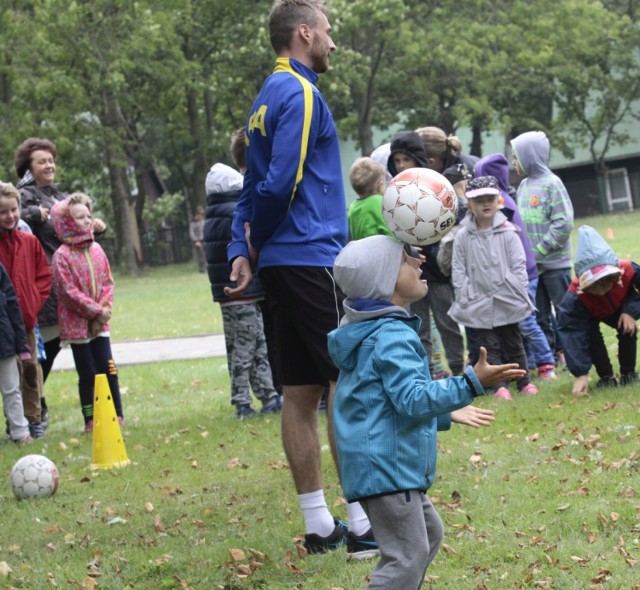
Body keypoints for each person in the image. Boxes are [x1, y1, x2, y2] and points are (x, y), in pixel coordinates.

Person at [226, 0, 374, 556]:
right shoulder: (302, 92)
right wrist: (256, 238)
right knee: (347, 384)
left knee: (298, 390)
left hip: (283, 265)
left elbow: (252, 180)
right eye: (329, 33)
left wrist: (244, 246)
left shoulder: (266, 95)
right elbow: (280, 183)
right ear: (305, 33)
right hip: (310, 258)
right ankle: (363, 526)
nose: (333, 43)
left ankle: (319, 527)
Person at [328, 234, 524, 589]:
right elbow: (412, 399)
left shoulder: (370, 329)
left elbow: (382, 402)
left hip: (383, 462)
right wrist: (468, 383)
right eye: (406, 259)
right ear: (383, 280)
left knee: (428, 536)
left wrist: (445, 414)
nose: (419, 262)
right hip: (388, 467)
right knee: (407, 555)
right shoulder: (390, 334)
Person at [15, 137, 106, 428]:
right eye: (41, 161)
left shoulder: (59, 196)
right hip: (41, 285)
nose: (49, 164)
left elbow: (75, 225)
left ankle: (34, 401)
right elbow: (13, 215)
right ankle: (31, 404)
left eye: (51, 159)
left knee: (51, 346)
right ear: (28, 167)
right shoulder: (24, 196)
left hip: (65, 283)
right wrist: (34, 213)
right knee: (43, 348)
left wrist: (93, 226)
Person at [203, 128, 281, 419]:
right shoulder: (234, 210)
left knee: (255, 344)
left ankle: (268, 396)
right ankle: (242, 401)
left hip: (233, 295)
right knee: (246, 348)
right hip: (242, 292)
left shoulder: (214, 213)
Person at [448, 176, 538, 399]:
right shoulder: (462, 236)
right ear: (469, 205)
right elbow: (458, 268)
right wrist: (463, 292)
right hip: (477, 298)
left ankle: (523, 381)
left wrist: (518, 287)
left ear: (498, 201)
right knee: (489, 346)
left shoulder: (509, 231)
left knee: (514, 342)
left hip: (507, 296)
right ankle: (500, 386)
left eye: (490, 199)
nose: (485, 204)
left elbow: (519, 263)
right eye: (479, 201)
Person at [386, 131, 466, 378]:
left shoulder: (435, 185)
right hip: (412, 272)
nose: (401, 165)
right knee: (418, 326)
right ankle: (427, 371)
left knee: (448, 323)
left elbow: (456, 213)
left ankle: (458, 369)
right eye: (397, 161)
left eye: (406, 160)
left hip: (438, 272)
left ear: (418, 160)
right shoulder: (393, 193)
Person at [474, 153, 556, 379]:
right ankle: (528, 364)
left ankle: (547, 363)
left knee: (526, 322)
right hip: (510, 275)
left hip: (523, 274)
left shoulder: (500, 204)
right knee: (519, 323)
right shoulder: (497, 201)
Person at [50, 193, 123, 433]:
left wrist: (104, 310)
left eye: (89, 216)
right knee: (88, 373)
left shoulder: (97, 249)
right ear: (67, 223)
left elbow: (107, 282)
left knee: (108, 367)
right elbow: (68, 292)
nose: (87, 220)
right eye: (80, 217)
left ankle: (117, 414)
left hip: (100, 322)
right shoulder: (61, 256)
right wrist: (95, 312)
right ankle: (90, 420)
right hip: (77, 325)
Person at [511, 131, 574, 367]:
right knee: (540, 315)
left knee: (565, 311)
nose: (513, 164)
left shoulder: (552, 184)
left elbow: (564, 223)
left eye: (517, 157)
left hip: (555, 265)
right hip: (533, 269)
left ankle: (571, 354)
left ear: (531, 156)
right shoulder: (524, 186)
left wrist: (539, 252)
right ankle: (548, 361)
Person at [558, 225, 640, 395]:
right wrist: (581, 373)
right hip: (590, 313)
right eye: (595, 284)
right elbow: (573, 334)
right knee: (593, 340)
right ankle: (606, 378)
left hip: (620, 306)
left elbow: (637, 292)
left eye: (606, 282)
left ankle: (628, 374)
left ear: (615, 275)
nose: (601, 290)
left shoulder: (629, 272)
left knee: (628, 329)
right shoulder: (575, 298)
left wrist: (630, 311)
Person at [0, 182, 51, 437]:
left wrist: (33, 303)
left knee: (30, 371)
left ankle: (33, 420)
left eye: (14, 210)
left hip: (26, 321)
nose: (10, 216)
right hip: (2, 323)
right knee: (8, 376)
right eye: (3, 212)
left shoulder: (29, 241)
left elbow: (43, 277)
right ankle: (13, 421)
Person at [0, 260, 34, 443]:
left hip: (3, 339)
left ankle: (20, 433)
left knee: (12, 389)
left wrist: (21, 342)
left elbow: (12, 303)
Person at [347, 157, 392, 240]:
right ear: (380, 184)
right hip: (383, 251)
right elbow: (391, 233)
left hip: (363, 251)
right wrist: (406, 249)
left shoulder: (352, 207)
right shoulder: (379, 202)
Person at [189, 206, 206, 273]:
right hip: (198, 241)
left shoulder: (204, 222)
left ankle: (206, 267)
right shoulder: (193, 224)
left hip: (205, 240)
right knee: (201, 256)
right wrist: (196, 241)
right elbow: (192, 233)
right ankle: (202, 269)